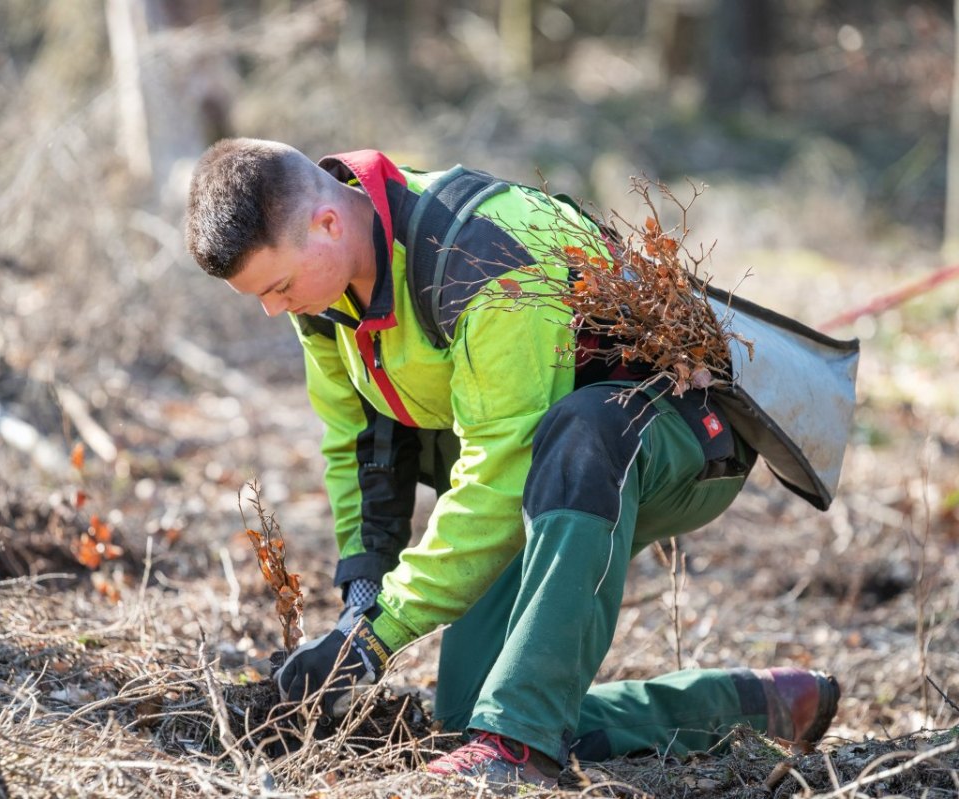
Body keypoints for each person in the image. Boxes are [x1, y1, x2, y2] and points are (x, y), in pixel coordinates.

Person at [184, 138, 841, 786]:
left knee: (579, 432)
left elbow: (500, 475)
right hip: (544, 466)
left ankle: (519, 750)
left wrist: (376, 637)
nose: (274, 308)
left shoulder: (479, 261)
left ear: (327, 223)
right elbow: (359, 442)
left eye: (277, 286)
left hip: (673, 435)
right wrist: (360, 600)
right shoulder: (324, 298)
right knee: (474, 712)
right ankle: (754, 706)